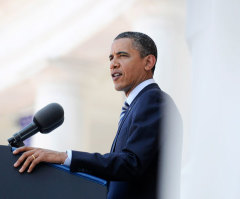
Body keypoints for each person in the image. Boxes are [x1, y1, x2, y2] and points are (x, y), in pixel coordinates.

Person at [13, 31, 182, 199]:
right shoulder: (136, 105)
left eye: (122, 56)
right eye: (111, 58)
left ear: (148, 62)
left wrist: (64, 157)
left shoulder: (153, 99)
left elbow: (131, 164)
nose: (113, 64)